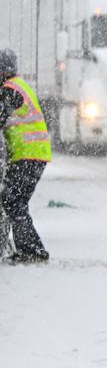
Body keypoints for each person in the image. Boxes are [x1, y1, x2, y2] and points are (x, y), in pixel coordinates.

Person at [0, 49, 52, 263]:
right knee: (14, 201)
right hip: (33, 155)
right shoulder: (18, 85)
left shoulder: (8, 91)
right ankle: (28, 249)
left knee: (13, 201)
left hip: (28, 156)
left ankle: (33, 251)